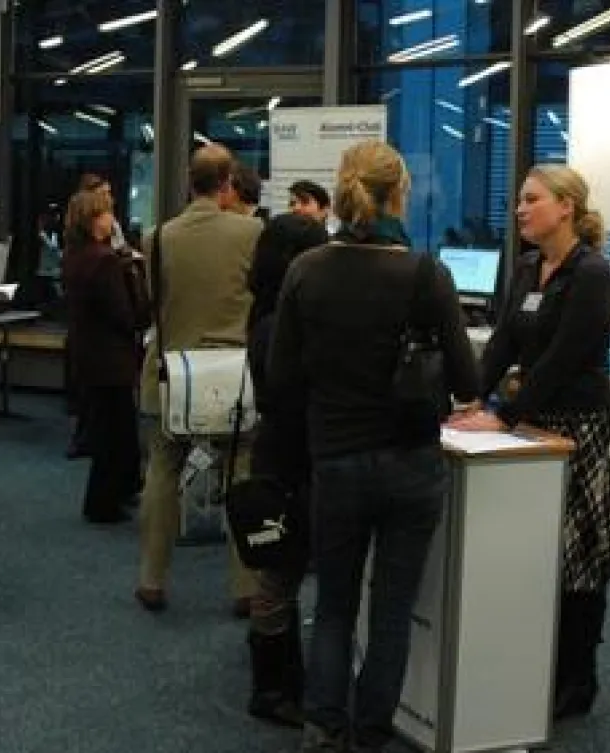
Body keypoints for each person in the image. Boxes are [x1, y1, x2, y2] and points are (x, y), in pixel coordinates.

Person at [268, 141, 479, 753]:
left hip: (335, 458)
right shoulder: (425, 273)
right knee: (390, 612)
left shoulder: (306, 270)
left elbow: (281, 381)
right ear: (398, 195)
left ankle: (322, 729)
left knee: (333, 606)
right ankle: (371, 736)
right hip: (413, 463)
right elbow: (467, 382)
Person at [448, 164, 610, 719]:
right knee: (538, 548)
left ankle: (577, 678)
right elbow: (504, 344)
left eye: (531, 199)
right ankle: (539, 662)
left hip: (579, 427)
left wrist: (503, 415)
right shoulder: (527, 267)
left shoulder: (592, 273)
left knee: (579, 557)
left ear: (566, 206)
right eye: (519, 201)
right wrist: (470, 398)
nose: (520, 209)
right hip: (530, 422)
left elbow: (563, 359)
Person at [135, 144, 261, 615]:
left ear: (190, 184)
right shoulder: (253, 232)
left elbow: (153, 302)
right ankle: (246, 587)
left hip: (173, 374)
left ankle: (151, 578)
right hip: (234, 376)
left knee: (163, 471)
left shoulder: (157, 237)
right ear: (228, 184)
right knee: (242, 473)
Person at [244, 213, 329, 728]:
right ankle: (271, 688)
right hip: (289, 460)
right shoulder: (281, 323)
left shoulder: (269, 312)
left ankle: (280, 678)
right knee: (279, 574)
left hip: (282, 454)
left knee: (282, 570)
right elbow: (291, 395)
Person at [62, 189, 151, 524]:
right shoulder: (105, 260)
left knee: (110, 427)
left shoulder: (74, 255)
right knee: (114, 431)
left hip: (87, 351)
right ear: (95, 219)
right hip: (112, 355)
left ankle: (119, 491)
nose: (113, 218)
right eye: (108, 213)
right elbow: (127, 315)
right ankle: (102, 503)